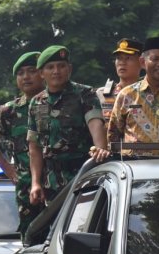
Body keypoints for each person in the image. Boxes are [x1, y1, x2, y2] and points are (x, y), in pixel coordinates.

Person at [27, 45, 108, 205]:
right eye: (50, 67)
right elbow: (34, 146)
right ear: (42, 73)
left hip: (83, 177)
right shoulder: (36, 102)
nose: (56, 71)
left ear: (69, 69)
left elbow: (95, 123)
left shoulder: (84, 94)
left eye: (61, 66)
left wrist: (101, 149)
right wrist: (35, 183)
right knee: (55, 227)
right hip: (51, 183)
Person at [0, 51, 45, 235]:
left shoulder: (57, 102)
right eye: (20, 73)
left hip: (63, 184)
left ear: (42, 73)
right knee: (32, 239)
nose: (26, 77)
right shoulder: (9, 111)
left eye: (31, 71)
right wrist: (7, 168)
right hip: (28, 189)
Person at [96, 38, 143, 123]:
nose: (122, 62)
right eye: (119, 58)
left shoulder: (150, 94)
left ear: (142, 62)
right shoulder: (102, 94)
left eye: (128, 58)